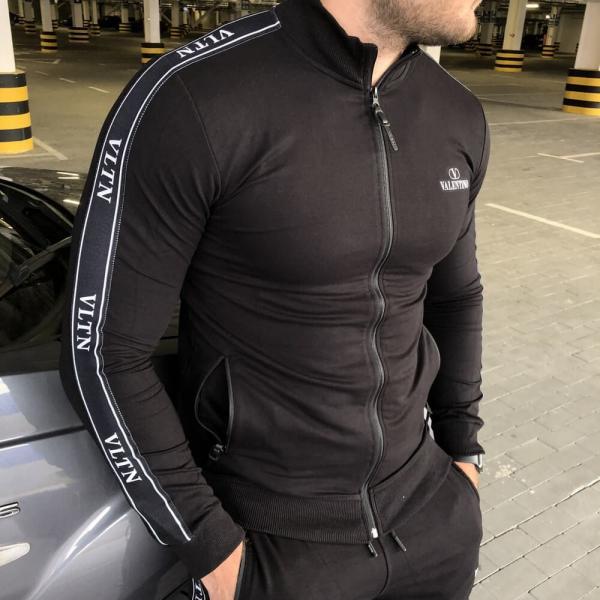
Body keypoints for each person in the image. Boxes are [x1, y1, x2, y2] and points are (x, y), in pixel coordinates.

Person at [59, 0, 490, 598]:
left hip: (432, 518)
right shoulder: (194, 97)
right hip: (271, 543)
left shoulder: (456, 112)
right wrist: (208, 544)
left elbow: (456, 297)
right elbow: (102, 350)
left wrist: (463, 454)